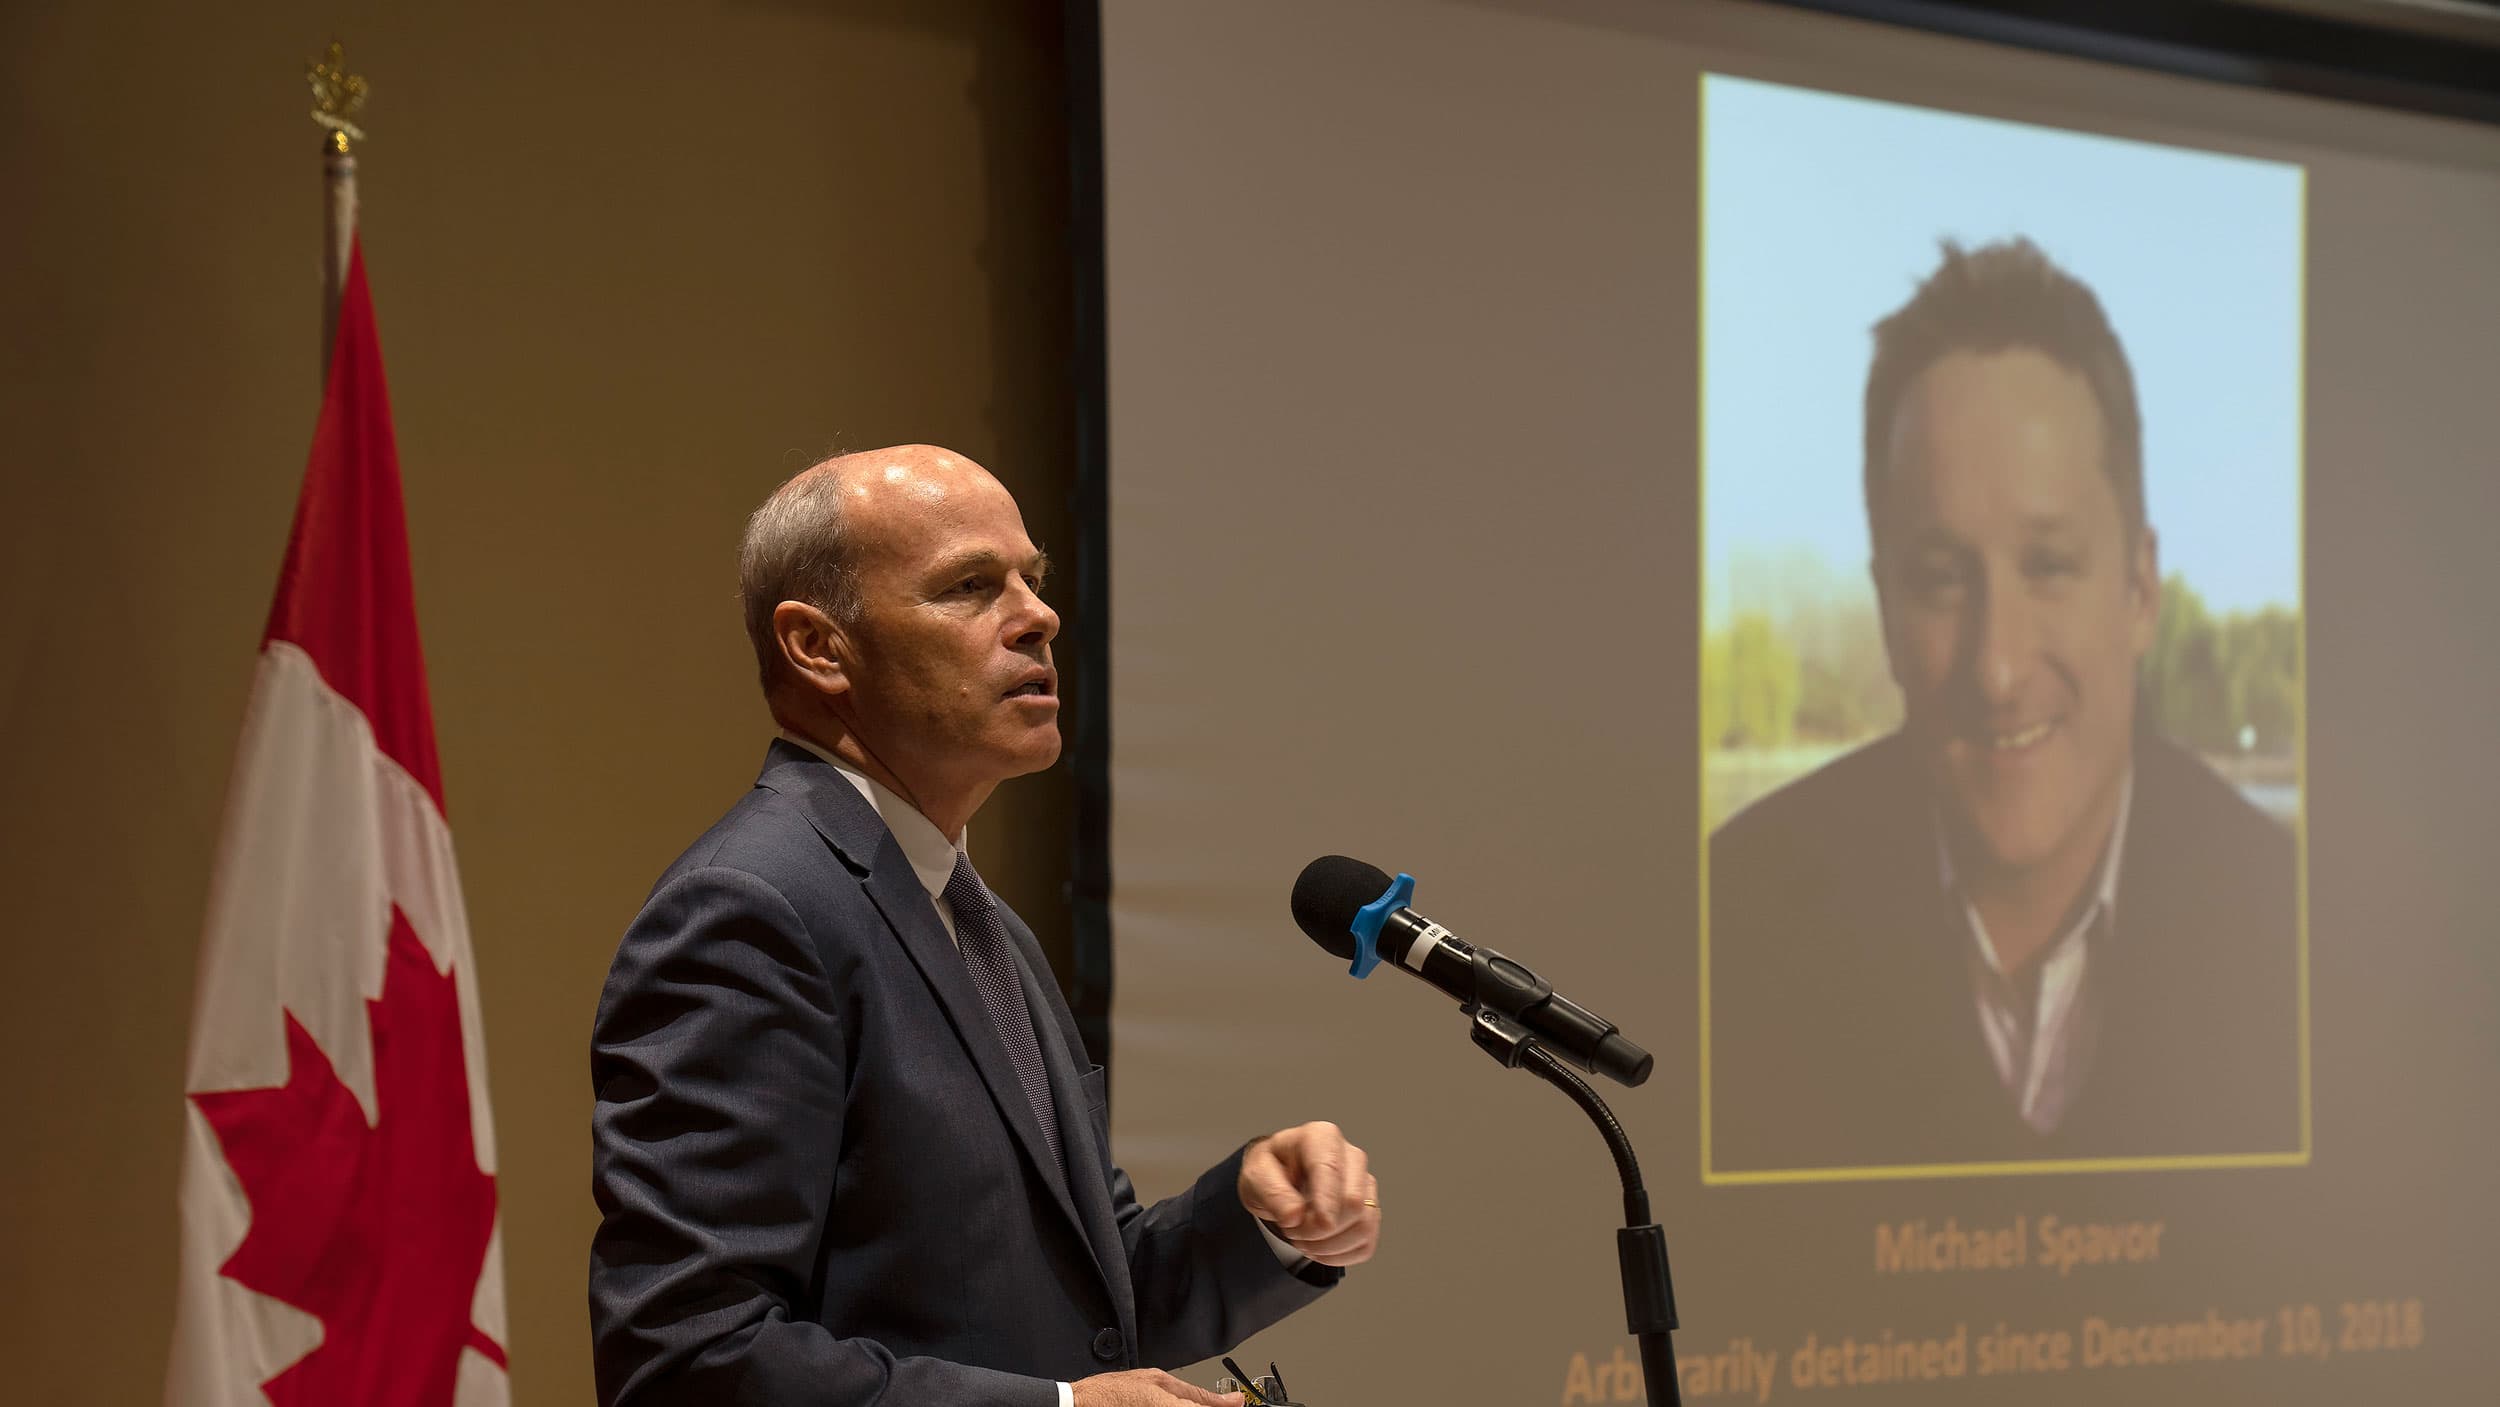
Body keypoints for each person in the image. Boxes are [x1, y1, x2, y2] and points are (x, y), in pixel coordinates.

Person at [590, 446, 1381, 1406]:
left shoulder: (981, 920)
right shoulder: (750, 911)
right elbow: (686, 1359)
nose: (1040, 615)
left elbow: (1088, 1306)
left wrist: (1258, 1220)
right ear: (818, 646)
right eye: (970, 585)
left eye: (1033, 579)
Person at [1708, 240, 2299, 1173]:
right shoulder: (1730, 929)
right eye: (1943, 578)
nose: (1997, 668)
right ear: (1886, 610)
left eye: (2050, 565)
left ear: (2141, 589)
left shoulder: (2295, 922)